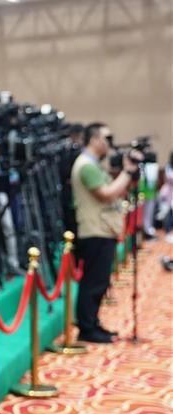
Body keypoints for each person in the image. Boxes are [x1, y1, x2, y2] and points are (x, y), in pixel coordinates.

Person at [70, 123, 142, 343]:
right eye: (106, 137)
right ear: (93, 140)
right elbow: (108, 194)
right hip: (95, 229)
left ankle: (92, 323)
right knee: (94, 281)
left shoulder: (94, 165)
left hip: (101, 229)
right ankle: (87, 328)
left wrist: (128, 173)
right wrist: (127, 171)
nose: (110, 142)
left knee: (99, 281)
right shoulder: (86, 166)